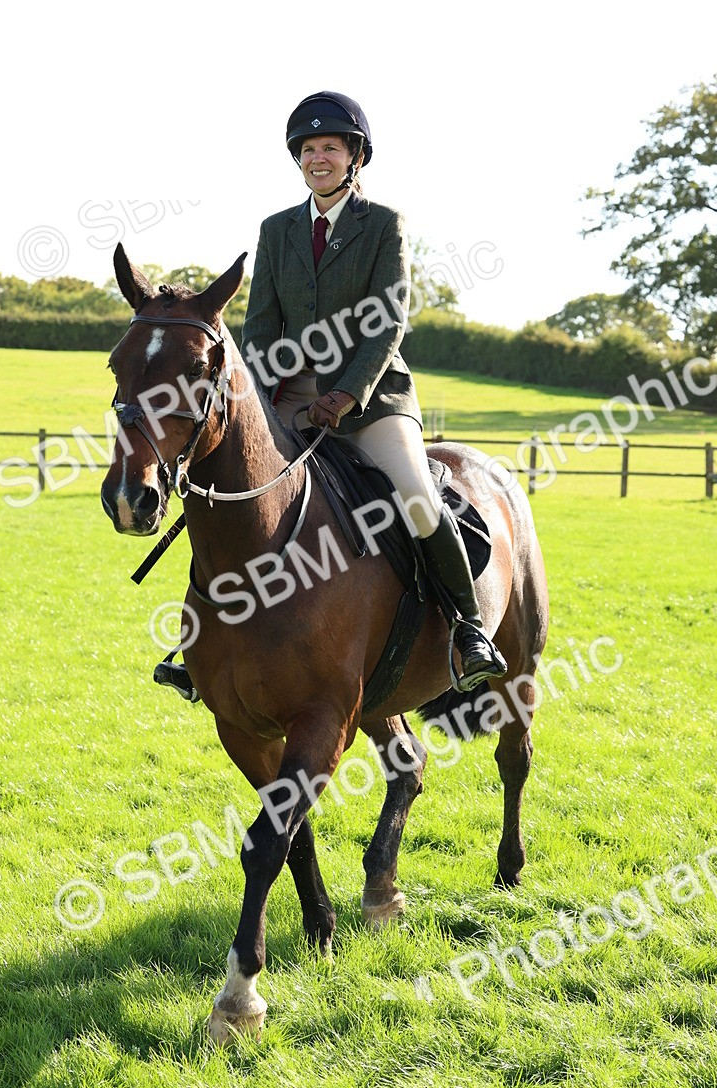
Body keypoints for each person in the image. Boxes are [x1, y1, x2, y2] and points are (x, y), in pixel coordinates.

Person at [240, 90, 507, 692]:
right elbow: (259, 326)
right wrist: (257, 398)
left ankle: (469, 628)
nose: (318, 158)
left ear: (354, 157)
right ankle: (204, 638)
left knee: (415, 493)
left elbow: (387, 321)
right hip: (291, 396)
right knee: (234, 488)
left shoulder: (383, 224)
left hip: (372, 396)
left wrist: (347, 392)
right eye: (308, 149)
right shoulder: (276, 229)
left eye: (330, 148)